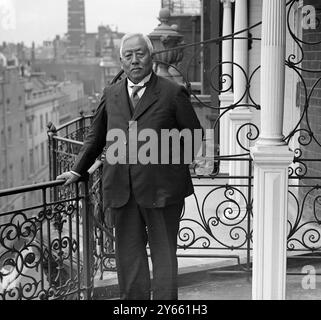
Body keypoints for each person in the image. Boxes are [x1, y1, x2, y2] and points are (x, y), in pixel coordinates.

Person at [57, 33, 202, 300]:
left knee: (164, 258)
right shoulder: (111, 94)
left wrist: (167, 167)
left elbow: (193, 136)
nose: (135, 60)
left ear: (151, 56)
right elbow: (95, 136)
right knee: (129, 258)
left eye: (140, 54)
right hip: (122, 191)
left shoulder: (172, 93)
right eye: (128, 55)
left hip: (162, 192)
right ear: (121, 61)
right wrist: (78, 170)